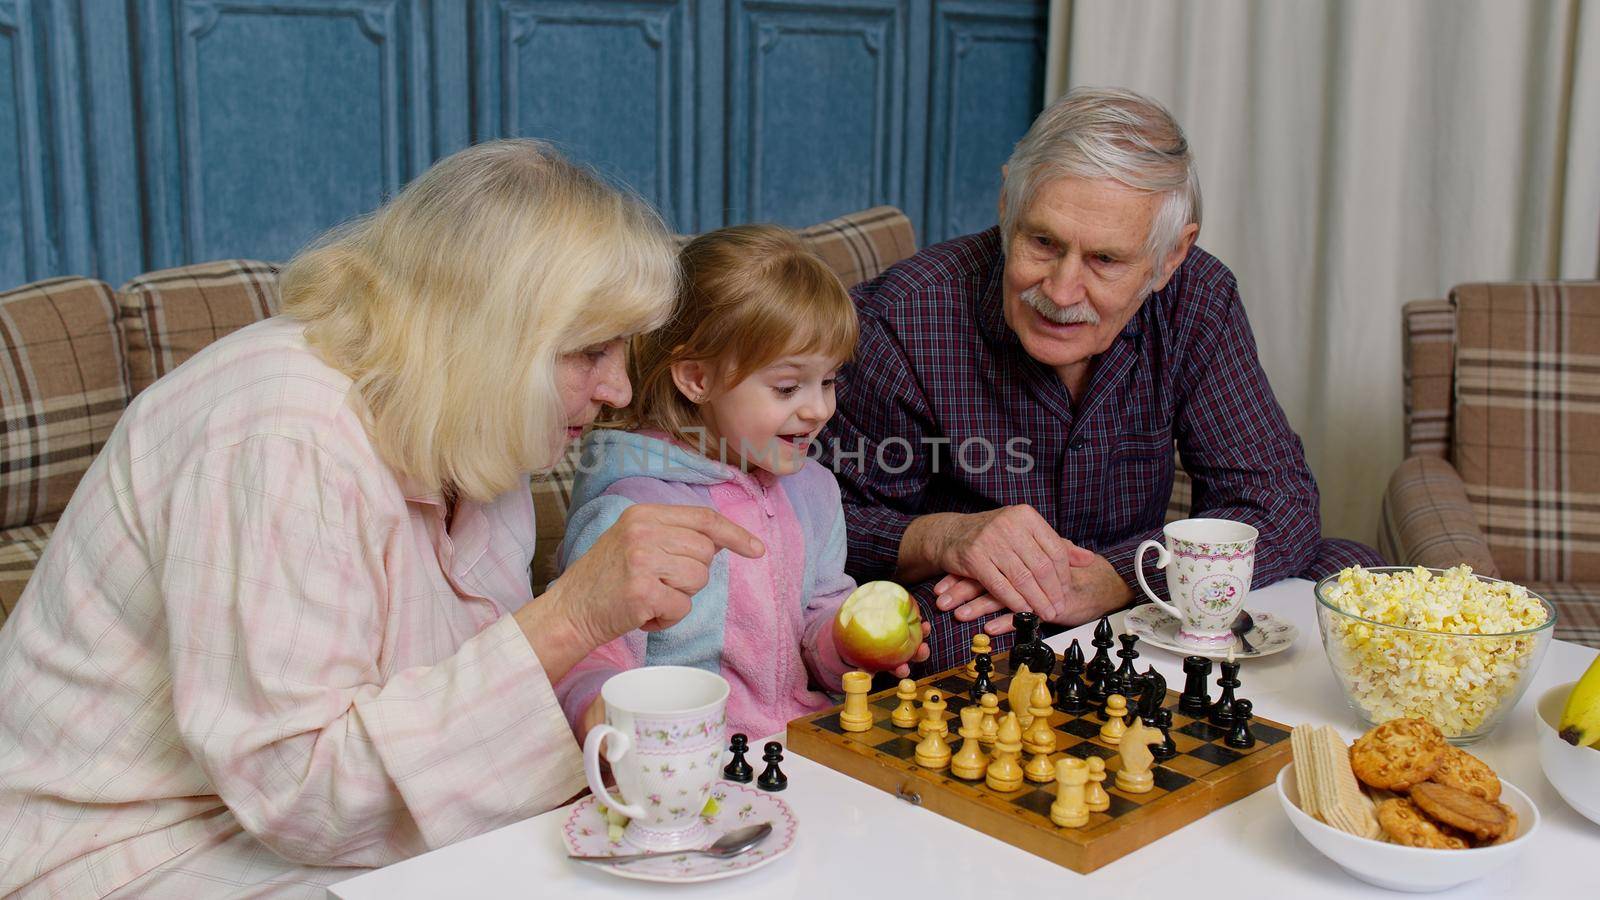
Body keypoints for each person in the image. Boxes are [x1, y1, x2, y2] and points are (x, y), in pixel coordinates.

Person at [0, 140, 766, 898]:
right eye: (589, 351)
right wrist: (571, 616)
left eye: (622, 349)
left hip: (303, 835)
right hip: (130, 845)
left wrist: (586, 701)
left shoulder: (474, 421)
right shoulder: (282, 432)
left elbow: (442, 694)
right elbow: (300, 797)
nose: (619, 392)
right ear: (485, 336)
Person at [822, 87, 1382, 671]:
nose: (1061, 292)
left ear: (1171, 257)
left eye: (1105, 261)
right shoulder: (903, 317)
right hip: (975, 609)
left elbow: (1277, 501)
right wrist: (945, 537)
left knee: (1350, 571)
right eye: (1042, 242)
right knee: (944, 639)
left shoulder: (1199, 299)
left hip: (1135, 600)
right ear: (1008, 203)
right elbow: (815, 524)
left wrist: (1118, 578)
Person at [555, 225, 929, 740]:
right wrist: (605, 723)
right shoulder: (633, 511)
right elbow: (589, 657)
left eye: (828, 381)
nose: (819, 409)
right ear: (697, 379)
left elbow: (817, 619)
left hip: (799, 743)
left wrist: (847, 645)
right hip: (689, 760)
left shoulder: (814, 492)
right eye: (786, 386)